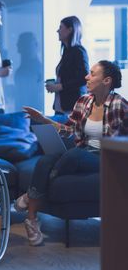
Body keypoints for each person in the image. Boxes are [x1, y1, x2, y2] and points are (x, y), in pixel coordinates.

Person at [18, 60, 128, 246]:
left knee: (74, 155)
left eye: (92, 74)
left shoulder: (119, 105)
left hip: (105, 159)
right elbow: (69, 130)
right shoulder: (84, 101)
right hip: (82, 152)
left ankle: (32, 195)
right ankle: (32, 220)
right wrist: (44, 120)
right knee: (45, 161)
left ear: (106, 80)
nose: (86, 77)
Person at [45, 16, 89, 119]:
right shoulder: (67, 52)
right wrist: (55, 85)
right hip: (61, 107)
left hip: (72, 108)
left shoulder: (79, 51)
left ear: (70, 30)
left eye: (60, 27)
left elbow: (84, 77)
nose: (57, 31)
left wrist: (60, 86)